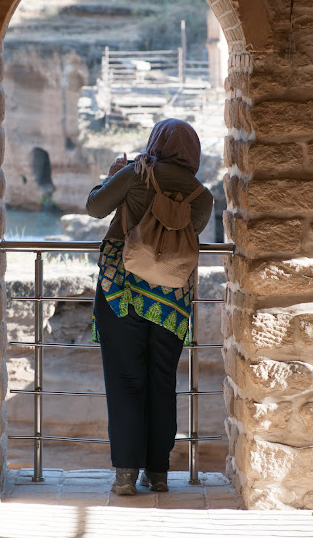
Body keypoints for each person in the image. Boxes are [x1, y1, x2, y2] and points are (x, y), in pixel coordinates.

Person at [86, 118, 213, 495]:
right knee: (162, 380)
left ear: (156, 141)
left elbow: (95, 207)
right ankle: (158, 473)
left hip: (122, 290)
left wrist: (111, 176)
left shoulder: (136, 173)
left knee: (126, 382)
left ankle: (126, 475)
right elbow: (193, 233)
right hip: (172, 298)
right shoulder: (201, 195)